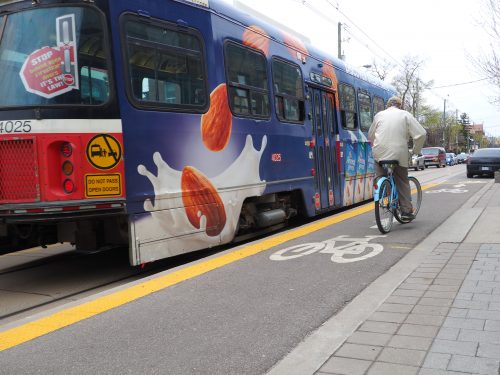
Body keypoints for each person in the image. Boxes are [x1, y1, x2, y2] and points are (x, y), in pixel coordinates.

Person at [368, 96, 427, 220]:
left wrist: (376, 147)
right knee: (402, 181)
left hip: (380, 153)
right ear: (400, 105)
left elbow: (371, 136)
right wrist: (414, 151)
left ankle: (384, 195)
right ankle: (406, 211)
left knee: (380, 175)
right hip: (399, 153)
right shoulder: (405, 115)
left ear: (388, 105)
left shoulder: (379, 115)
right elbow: (421, 134)